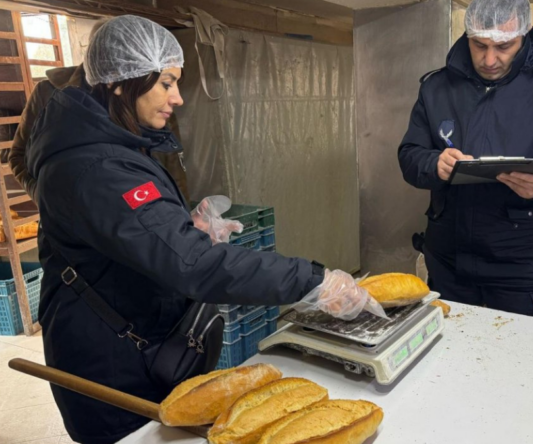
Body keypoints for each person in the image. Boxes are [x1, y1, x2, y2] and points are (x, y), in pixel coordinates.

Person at [27, 16, 357, 444]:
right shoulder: (97, 166)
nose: (177, 98)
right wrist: (313, 280)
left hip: (139, 345)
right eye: (166, 83)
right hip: (111, 367)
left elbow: (129, 236)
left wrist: (182, 227)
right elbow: (193, 265)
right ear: (120, 81)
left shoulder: (108, 146)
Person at [398, 0, 533, 318]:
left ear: (524, 34)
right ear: (468, 35)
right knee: (449, 343)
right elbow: (410, 153)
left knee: (525, 346)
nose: (490, 59)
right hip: (449, 258)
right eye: (480, 45)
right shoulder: (437, 87)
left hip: (521, 262)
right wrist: (433, 164)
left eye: (504, 47)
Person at [10, 18, 190, 202]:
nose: (177, 99)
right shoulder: (51, 94)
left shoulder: (148, 94)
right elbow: (19, 156)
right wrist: (51, 200)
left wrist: (180, 208)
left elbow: (171, 158)